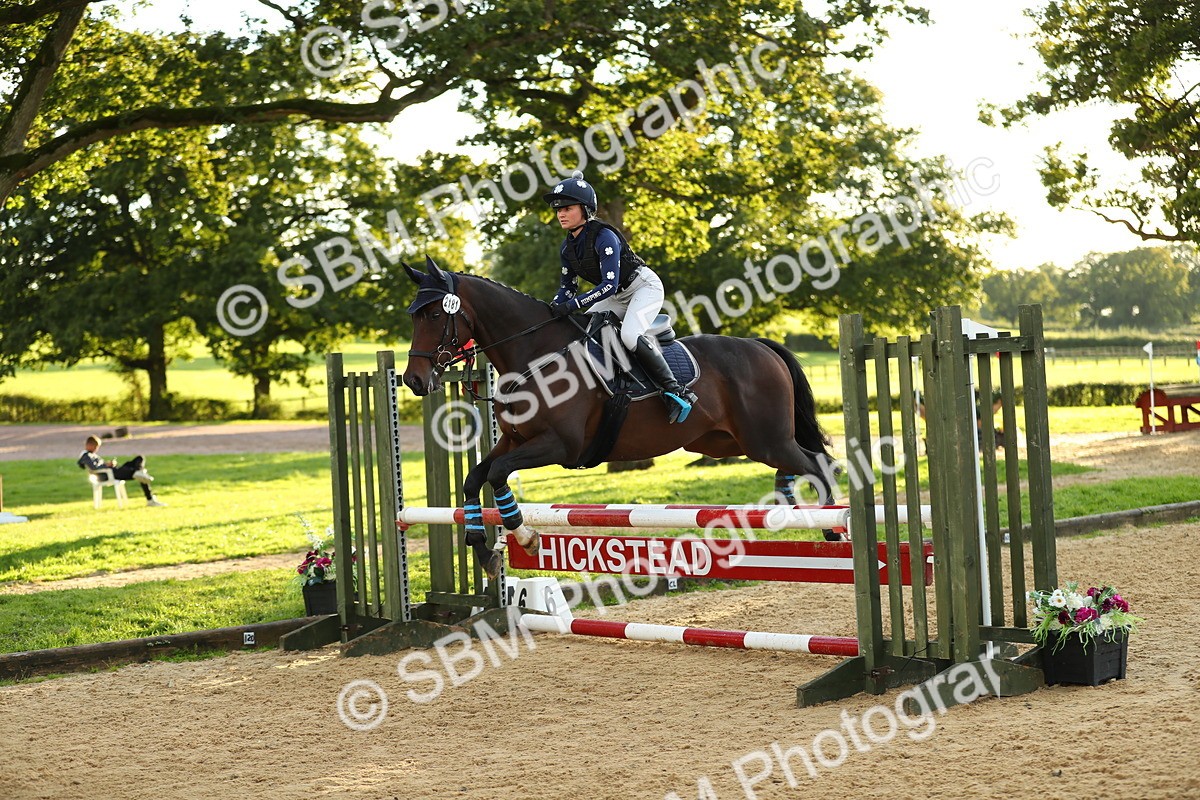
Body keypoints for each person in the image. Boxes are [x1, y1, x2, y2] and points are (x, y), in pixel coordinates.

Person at [543, 170, 699, 423]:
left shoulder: (604, 236)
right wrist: (553, 308)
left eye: (567, 208)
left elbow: (608, 285)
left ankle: (676, 391)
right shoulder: (567, 247)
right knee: (582, 329)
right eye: (558, 209)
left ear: (585, 209)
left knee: (629, 335)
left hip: (642, 288)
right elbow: (567, 289)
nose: (560, 213)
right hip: (616, 295)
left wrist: (572, 304)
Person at [76, 435, 166, 507]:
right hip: (112, 474)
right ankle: (150, 499)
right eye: (95, 447)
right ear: (89, 445)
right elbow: (94, 468)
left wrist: (108, 464)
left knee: (139, 459)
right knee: (141, 475)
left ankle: (139, 472)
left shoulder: (91, 455)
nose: (96, 449)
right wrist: (106, 465)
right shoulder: (86, 456)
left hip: (114, 471)